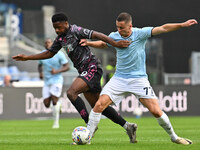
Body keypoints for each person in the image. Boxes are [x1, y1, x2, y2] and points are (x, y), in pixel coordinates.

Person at [12, 12, 137, 143]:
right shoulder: (60, 39)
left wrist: (115, 44)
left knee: (71, 93)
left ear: (66, 24)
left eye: (59, 27)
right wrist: (27, 58)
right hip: (84, 71)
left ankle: (89, 127)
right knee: (99, 106)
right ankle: (128, 126)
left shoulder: (76, 30)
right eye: (55, 28)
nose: (57, 30)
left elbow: (97, 35)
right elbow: (49, 53)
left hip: (92, 68)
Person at [82, 12, 198, 145]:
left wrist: (182, 25)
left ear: (130, 26)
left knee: (155, 111)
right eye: (117, 27)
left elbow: (164, 28)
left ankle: (174, 137)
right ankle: (87, 138)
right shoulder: (114, 36)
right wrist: (89, 43)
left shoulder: (140, 34)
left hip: (139, 80)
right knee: (99, 105)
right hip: (119, 79)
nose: (118, 30)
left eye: (121, 28)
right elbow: (104, 44)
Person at [38, 38, 70, 128]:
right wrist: (40, 73)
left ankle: (56, 123)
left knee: (54, 99)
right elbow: (39, 65)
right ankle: (59, 105)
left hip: (57, 80)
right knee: (46, 104)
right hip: (47, 81)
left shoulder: (59, 54)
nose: (47, 44)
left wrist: (57, 71)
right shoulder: (43, 54)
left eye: (49, 42)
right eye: (45, 43)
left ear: (52, 44)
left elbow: (67, 66)